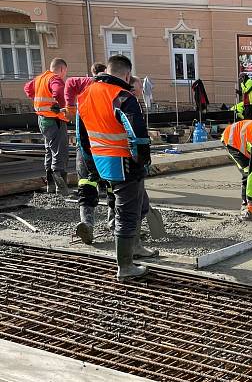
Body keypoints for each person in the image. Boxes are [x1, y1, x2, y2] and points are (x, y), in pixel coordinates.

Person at [76, 55, 156, 281]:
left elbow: (81, 138)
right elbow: (138, 134)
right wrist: (144, 161)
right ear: (127, 75)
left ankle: (136, 247)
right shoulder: (122, 97)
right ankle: (125, 266)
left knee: (137, 204)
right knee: (127, 213)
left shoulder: (85, 96)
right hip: (124, 162)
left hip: (102, 162)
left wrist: (92, 166)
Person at [65, 62, 109, 245]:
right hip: (105, 152)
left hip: (86, 151)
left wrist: (68, 105)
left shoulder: (83, 97)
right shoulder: (111, 96)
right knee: (113, 189)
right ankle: (115, 226)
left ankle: (87, 224)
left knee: (86, 187)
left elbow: (80, 135)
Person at [24, 58, 69, 195]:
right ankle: (61, 188)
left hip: (42, 119)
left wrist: (37, 99)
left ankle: (50, 184)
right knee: (59, 152)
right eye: (65, 72)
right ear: (62, 69)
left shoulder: (40, 78)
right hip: (54, 120)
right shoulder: (55, 79)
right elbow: (59, 92)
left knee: (49, 150)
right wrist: (61, 105)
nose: (64, 75)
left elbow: (27, 88)